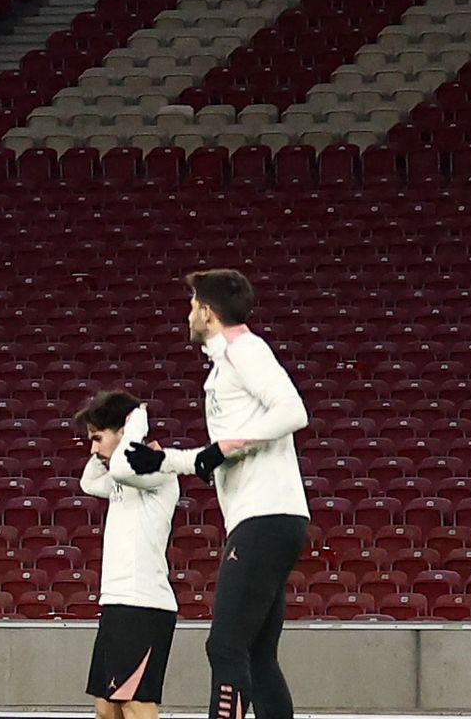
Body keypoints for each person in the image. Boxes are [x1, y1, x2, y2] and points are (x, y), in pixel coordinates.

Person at [132, 270, 305, 719]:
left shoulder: (244, 350)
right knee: (258, 655)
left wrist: (224, 446)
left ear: (207, 312)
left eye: (192, 304)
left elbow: (292, 411)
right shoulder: (224, 365)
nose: (188, 313)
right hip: (271, 517)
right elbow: (215, 458)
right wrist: (165, 460)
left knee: (225, 646)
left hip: (264, 517)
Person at [72, 394, 179, 719]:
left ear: (124, 430)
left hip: (143, 604)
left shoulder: (156, 468)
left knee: (134, 704)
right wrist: (109, 447)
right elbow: (89, 482)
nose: (92, 449)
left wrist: (134, 429)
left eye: (97, 438)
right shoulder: (119, 474)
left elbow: (120, 469)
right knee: (107, 708)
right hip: (118, 602)